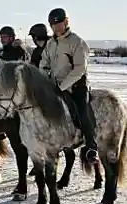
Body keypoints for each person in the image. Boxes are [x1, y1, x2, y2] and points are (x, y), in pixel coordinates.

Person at [39, 7, 98, 163]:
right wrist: (45, 79)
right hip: (55, 85)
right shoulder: (51, 43)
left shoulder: (77, 42)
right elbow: (44, 62)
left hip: (76, 85)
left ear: (66, 22)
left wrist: (62, 86)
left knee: (82, 110)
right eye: (53, 24)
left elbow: (80, 68)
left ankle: (91, 146)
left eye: (59, 23)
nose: (56, 27)